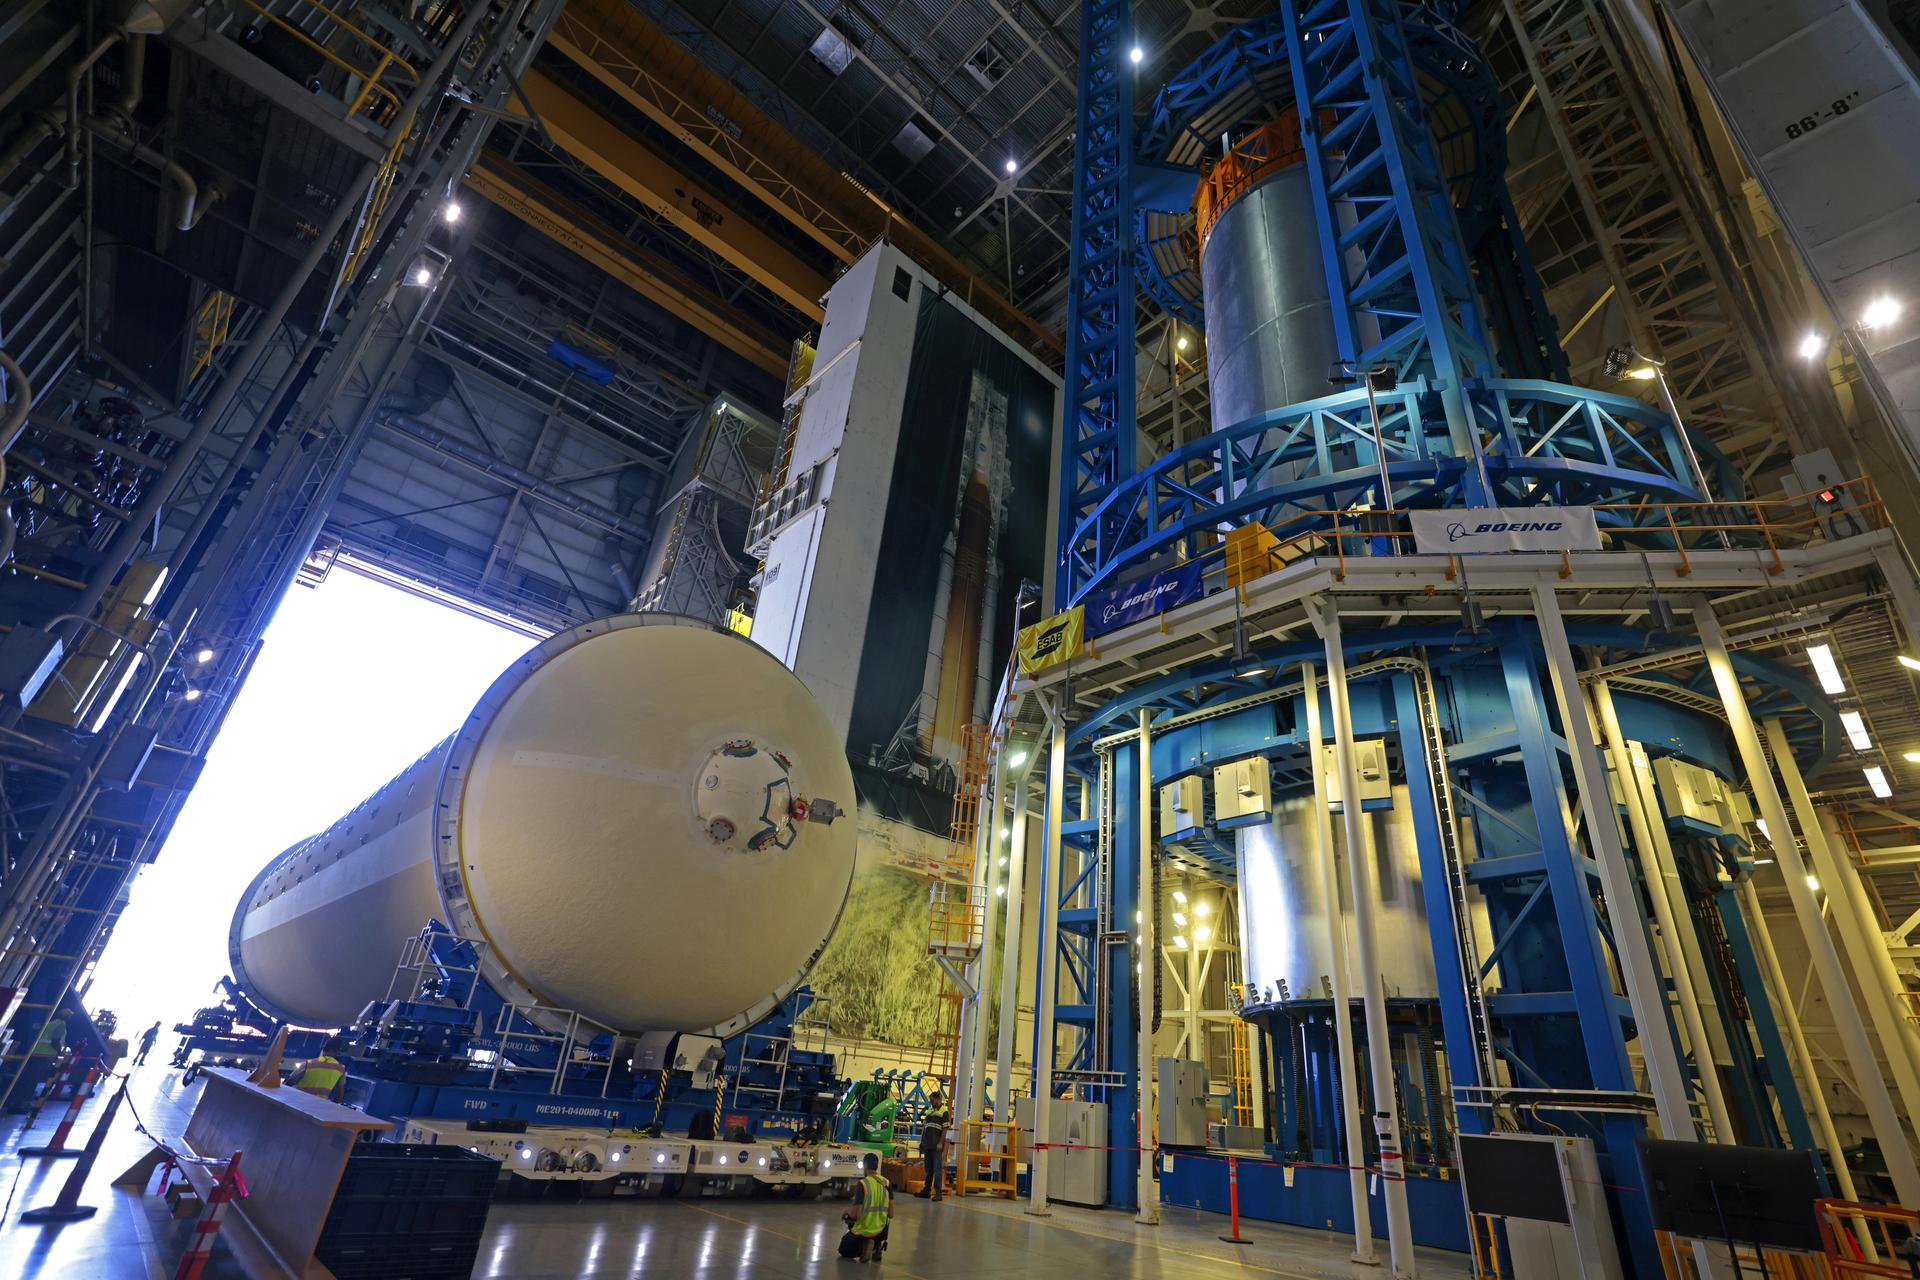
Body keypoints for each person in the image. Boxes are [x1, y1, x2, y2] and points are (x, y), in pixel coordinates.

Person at [10, 1008, 71, 1112]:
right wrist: (60, 1052)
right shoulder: (61, 1025)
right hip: (44, 1056)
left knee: (27, 1080)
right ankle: (19, 1106)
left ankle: (19, 1103)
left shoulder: (50, 1024)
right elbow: (55, 1041)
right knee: (31, 1081)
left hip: (36, 1054)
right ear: (68, 1017)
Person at [840, 1151, 891, 1263]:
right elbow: (891, 1213)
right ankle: (876, 1246)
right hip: (881, 1230)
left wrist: (845, 1211)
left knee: (844, 1249)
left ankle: (864, 1245)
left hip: (864, 1229)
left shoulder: (863, 1184)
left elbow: (855, 1214)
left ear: (865, 1165)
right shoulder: (886, 1183)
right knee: (882, 1223)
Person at [915, 1089, 951, 1200]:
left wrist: (940, 1143)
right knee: (928, 1169)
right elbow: (925, 1128)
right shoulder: (929, 1110)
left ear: (938, 1099)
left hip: (936, 1145)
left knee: (937, 1169)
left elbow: (945, 1129)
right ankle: (926, 1191)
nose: (931, 1102)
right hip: (928, 1144)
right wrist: (922, 1142)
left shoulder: (944, 1111)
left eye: (932, 1100)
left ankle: (938, 1193)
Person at [291, 1036, 349, 1102]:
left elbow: (289, 1082)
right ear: (337, 1051)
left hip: (298, 1102)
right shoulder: (340, 1068)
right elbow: (340, 1095)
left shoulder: (308, 1063)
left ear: (324, 1049)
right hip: (319, 1106)